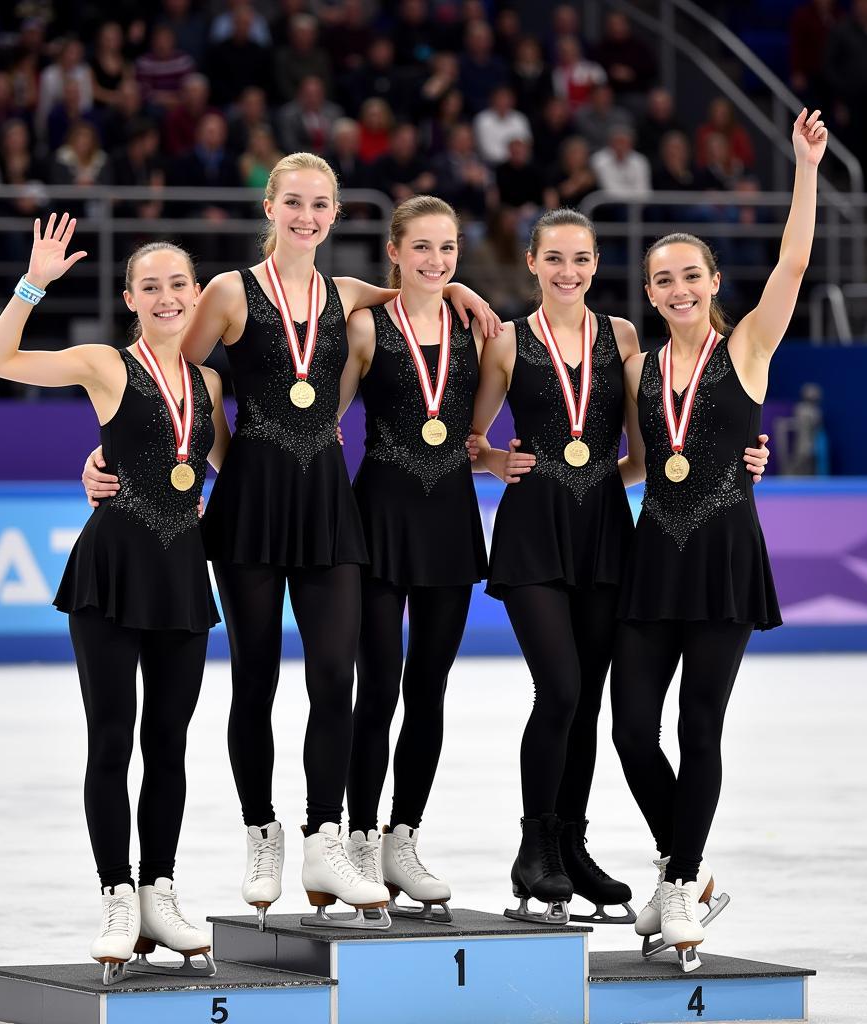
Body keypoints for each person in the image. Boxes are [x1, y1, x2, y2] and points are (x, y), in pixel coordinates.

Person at [81, 152, 497, 931]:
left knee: (335, 675)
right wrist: (105, 456)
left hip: (327, 507)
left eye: (321, 205)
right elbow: (166, 378)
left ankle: (322, 834)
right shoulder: (229, 291)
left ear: (336, 215)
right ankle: (260, 831)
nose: (307, 216)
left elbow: (412, 288)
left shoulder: (347, 296)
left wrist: (460, 286)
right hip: (248, 507)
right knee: (257, 679)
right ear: (270, 207)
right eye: (293, 202)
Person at [470, 207, 770, 927]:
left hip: (606, 531)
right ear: (534, 263)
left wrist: (735, 457)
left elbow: (650, 447)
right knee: (563, 688)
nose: (568, 271)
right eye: (554, 259)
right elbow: (473, 440)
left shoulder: (627, 341)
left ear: (598, 264)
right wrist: (494, 460)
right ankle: (536, 844)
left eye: (581, 259)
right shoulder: (508, 340)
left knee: (594, 701)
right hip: (535, 528)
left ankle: (573, 849)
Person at [0, 214, 230, 983]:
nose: (165, 297)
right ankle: (116, 893)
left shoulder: (211, 382)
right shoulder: (103, 363)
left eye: (177, 284)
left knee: (170, 744)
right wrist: (33, 285)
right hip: (112, 571)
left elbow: (228, 465)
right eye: (149, 286)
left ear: (196, 295)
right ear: (129, 297)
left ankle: (160, 888)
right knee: (112, 740)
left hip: (183, 572)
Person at [613, 109, 826, 972]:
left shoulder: (749, 348)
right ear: (652, 290)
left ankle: (681, 878)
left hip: (727, 556)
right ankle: (686, 869)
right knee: (631, 730)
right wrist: (559, 474)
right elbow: (636, 463)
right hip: (652, 556)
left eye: (690, 275)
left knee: (700, 725)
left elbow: (796, 261)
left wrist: (804, 169)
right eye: (663, 279)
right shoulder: (636, 369)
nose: (677, 288)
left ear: (710, 281)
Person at [338, 195, 489, 922]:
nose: (436, 261)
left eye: (448, 249)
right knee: (381, 687)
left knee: (429, 687)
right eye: (422, 248)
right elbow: (315, 422)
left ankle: (405, 838)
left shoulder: (475, 328)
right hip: (380, 522)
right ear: (394, 252)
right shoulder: (366, 327)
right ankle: (360, 838)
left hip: (450, 523)